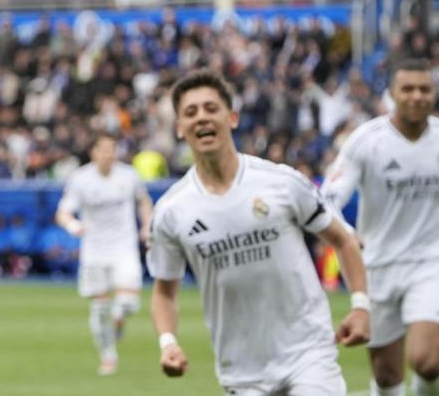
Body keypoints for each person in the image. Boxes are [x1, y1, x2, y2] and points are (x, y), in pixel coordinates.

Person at [147, 69, 370, 395]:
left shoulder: (281, 182)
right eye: (191, 112)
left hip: (308, 353)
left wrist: (361, 305)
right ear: (179, 128)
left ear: (232, 118)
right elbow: (164, 292)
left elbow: (342, 239)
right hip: (241, 370)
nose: (202, 118)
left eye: (211, 108)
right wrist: (168, 343)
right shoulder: (171, 211)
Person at [320, 57, 439, 396]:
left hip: (431, 264)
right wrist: (344, 232)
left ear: (433, 93)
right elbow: (327, 198)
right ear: (391, 94)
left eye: (424, 89)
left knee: (428, 360)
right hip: (377, 265)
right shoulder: (365, 141)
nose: (416, 96)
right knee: (387, 377)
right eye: (408, 89)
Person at [55, 130, 153, 375]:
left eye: (113, 148)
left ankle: (119, 320)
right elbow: (63, 211)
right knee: (99, 309)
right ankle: (108, 356)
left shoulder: (129, 176)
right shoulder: (81, 178)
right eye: (104, 149)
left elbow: (143, 201)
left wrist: (147, 225)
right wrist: (73, 225)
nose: (109, 154)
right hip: (95, 251)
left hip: (124, 248)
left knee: (128, 304)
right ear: (94, 152)